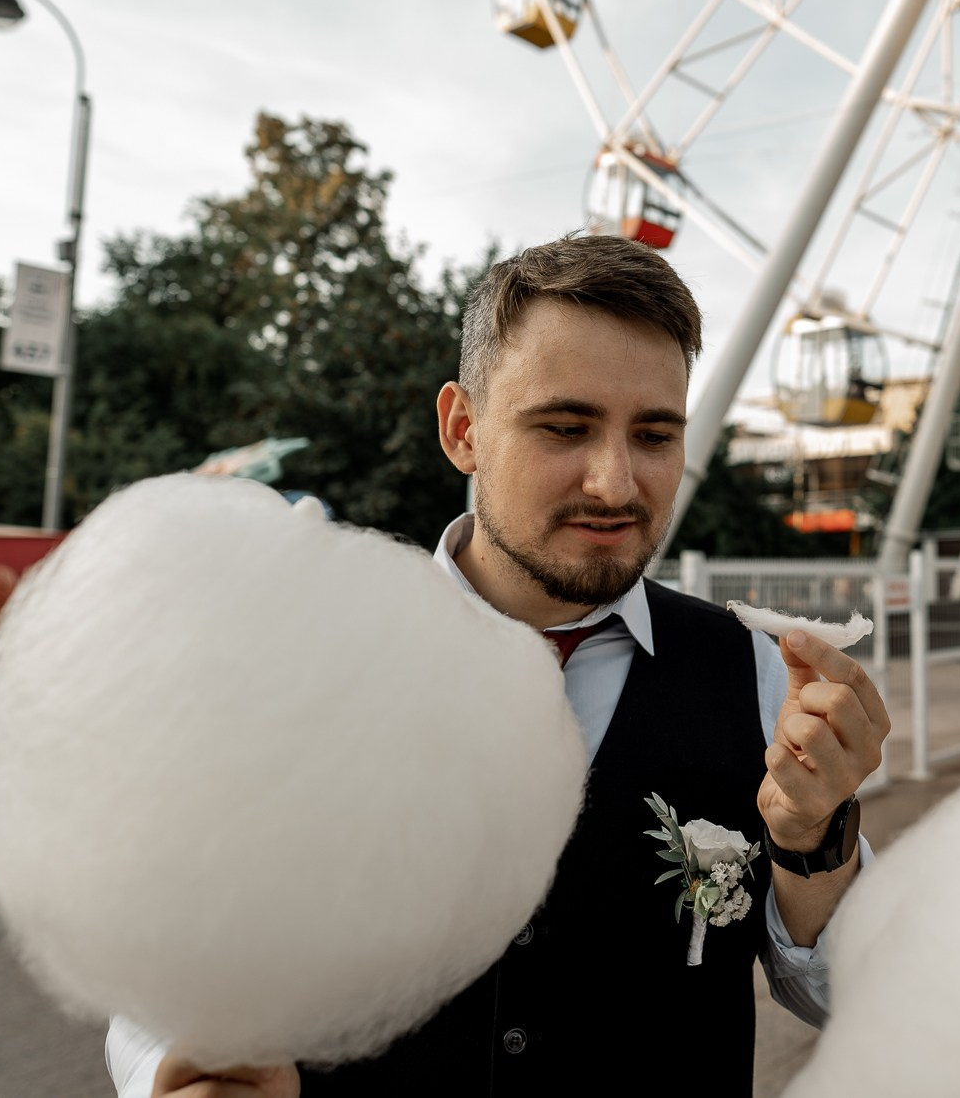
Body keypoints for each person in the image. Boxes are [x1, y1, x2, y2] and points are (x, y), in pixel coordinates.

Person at [109, 236, 889, 1097]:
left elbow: (846, 991)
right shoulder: (307, 654)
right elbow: (174, 968)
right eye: (565, 427)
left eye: (654, 434)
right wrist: (176, 1075)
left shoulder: (753, 674)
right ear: (462, 429)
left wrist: (812, 839)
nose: (615, 482)